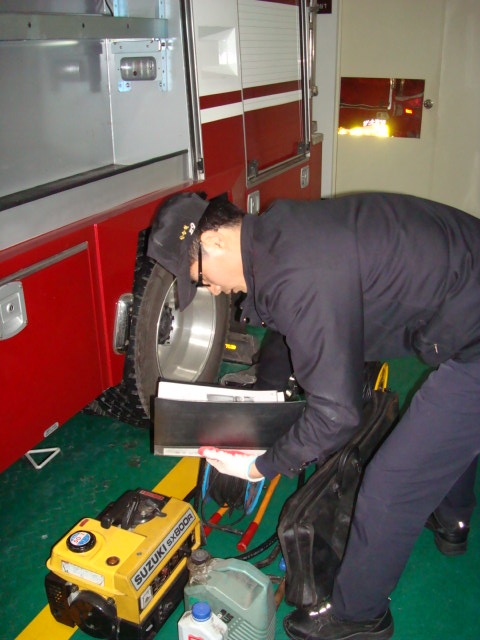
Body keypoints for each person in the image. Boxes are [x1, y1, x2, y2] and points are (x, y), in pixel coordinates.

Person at [147, 191, 480, 640]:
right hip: (466, 296)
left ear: (214, 241)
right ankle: (451, 516)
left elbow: (337, 414)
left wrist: (260, 465)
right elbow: (292, 330)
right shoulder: (279, 234)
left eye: (201, 278)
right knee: (446, 432)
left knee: (391, 485)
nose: (213, 289)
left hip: (475, 331)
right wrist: (260, 407)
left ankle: (359, 617)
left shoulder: (297, 273)